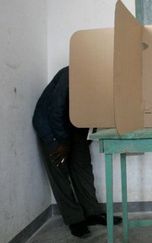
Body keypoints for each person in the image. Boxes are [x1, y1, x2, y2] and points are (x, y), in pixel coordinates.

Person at [32, 67, 121, 237]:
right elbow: (55, 110)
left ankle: (92, 213)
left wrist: (88, 137)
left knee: (83, 169)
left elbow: (94, 109)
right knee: (60, 171)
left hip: (75, 126)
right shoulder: (70, 73)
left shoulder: (102, 79)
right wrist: (63, 143)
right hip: (50, 125)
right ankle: (74, 219)